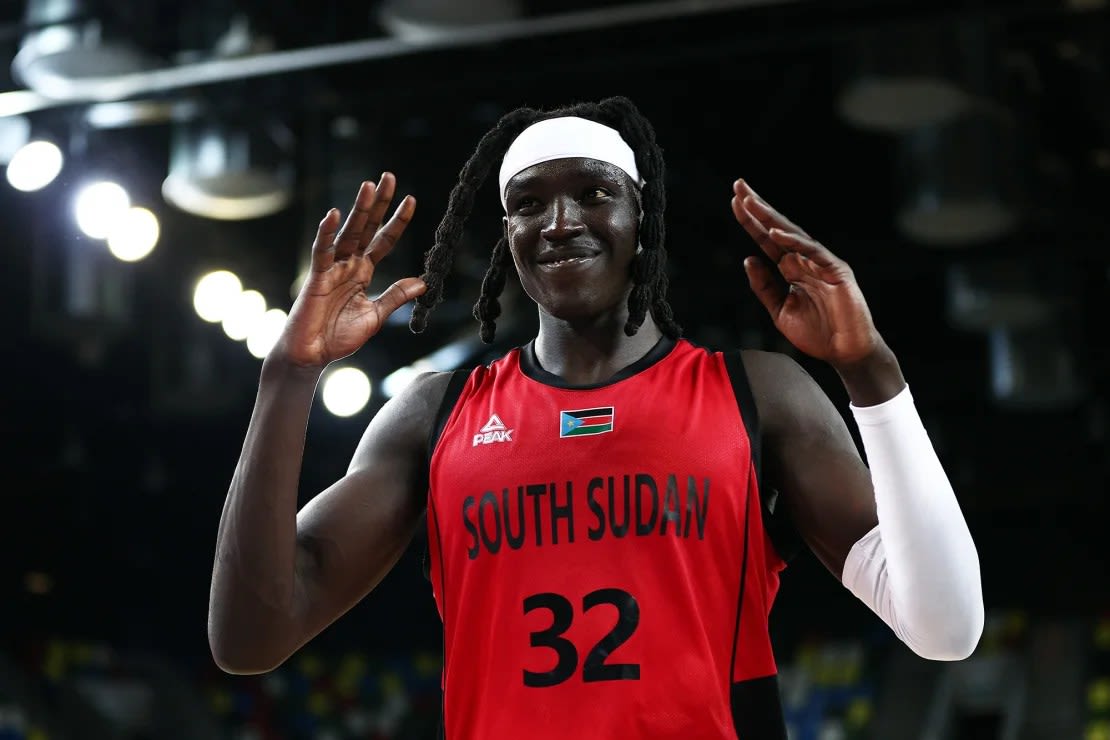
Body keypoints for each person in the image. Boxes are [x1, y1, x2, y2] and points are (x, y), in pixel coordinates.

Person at [207, 95, 984, 739]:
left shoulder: (757, 393)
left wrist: (870, 373)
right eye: (527, 205)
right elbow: (250, 637)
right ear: (507, 236)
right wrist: (288, 377)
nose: (558, 222)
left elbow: (944, 628)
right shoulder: (432, 415)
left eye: (593, 193)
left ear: (640, 216)